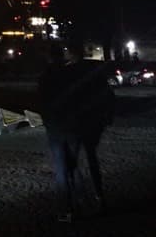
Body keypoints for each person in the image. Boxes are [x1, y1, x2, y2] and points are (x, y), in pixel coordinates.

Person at [38, 38, 114, 223]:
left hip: (60, 126)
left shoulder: (49, 75)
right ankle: (93, 201)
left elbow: (43, 102)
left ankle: (70, 208)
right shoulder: (77, 72)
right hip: (77, 124)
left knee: (64, 168)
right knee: (79, 163)